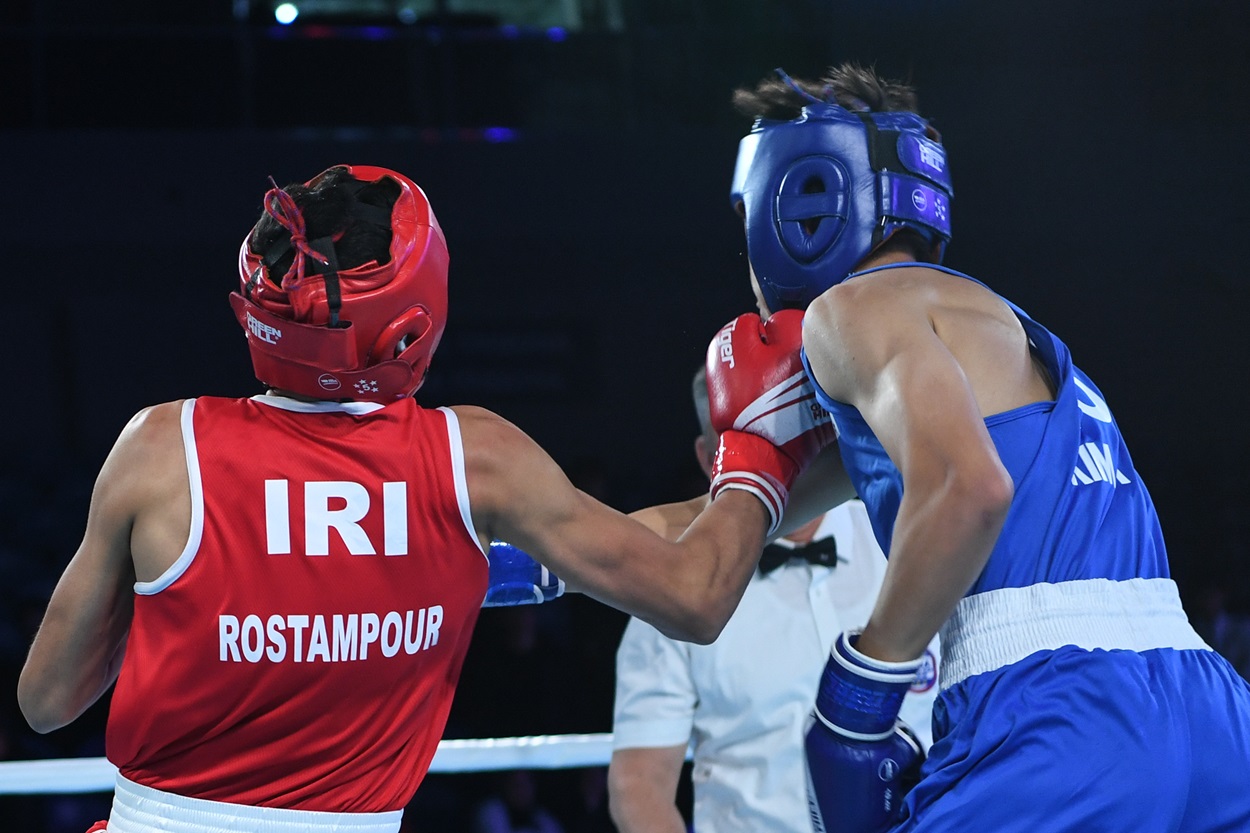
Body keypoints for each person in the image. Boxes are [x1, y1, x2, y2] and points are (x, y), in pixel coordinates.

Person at [15, 164, 833, 832]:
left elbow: (47, 700)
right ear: (413, 322)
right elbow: (694, 596)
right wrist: (762, 451)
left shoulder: (160, 448)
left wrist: (218, 600)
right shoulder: (472, 463)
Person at [720, 64, 1250, 832]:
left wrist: (856, 697)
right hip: (1212, 714)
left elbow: (970, 489)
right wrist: (537, 549)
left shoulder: (850, 310)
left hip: (1055, 718)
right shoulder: (991, 332)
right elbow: (721, 527)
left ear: (799, 200)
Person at [608, 366, 938, 833]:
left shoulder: (908, 543)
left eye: (793, 439)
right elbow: (639, 785)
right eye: (752, 450)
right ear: (710, 462)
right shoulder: (666, 592)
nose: (785, 464)